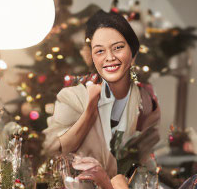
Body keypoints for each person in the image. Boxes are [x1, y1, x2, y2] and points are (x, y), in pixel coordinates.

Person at [43, 9, 161, 178]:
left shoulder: (146, 103)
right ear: (91, 56)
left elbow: (146, 163)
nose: (110, 57)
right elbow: (54, 150)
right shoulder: (73, 96)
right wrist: (89, 112)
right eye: (100, 51)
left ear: (133, 54)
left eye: (118, 48)